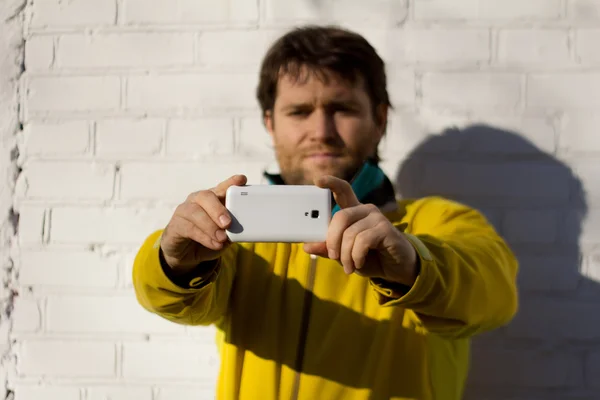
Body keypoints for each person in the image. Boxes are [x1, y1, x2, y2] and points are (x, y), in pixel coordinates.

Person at [132, 25, 519, 400]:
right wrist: (174, 260)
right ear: (270, 123)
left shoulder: (436, 222)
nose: (321, 130)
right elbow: (168, 301)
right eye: (299, 111)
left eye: (342, 108)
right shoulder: (237, 231)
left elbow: (495, 295)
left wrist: (414, 266)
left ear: (380, 119)